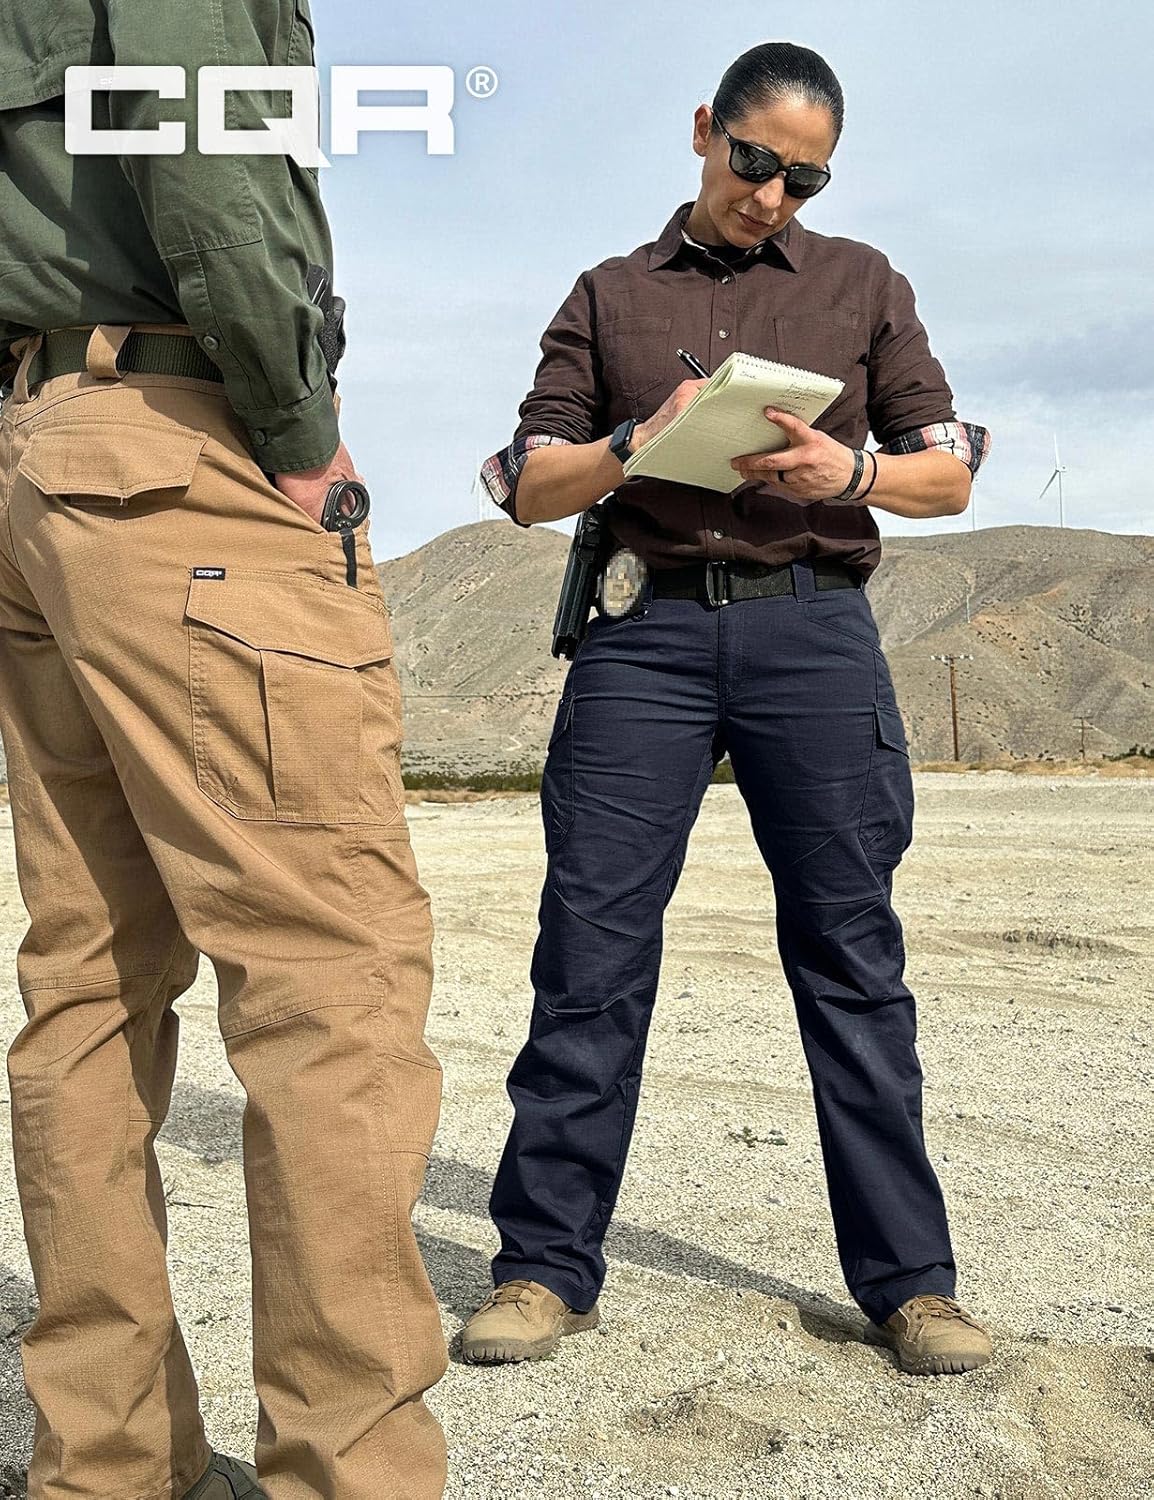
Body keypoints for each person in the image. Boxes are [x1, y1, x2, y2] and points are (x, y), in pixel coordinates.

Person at [465, 40, 993, 1379]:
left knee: (850, 955)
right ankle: (542, 1268)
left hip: (812, 632)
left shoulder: (863, 284)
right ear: (705, 129)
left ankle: (911, 1284)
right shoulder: (609, 293)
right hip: (641, 640)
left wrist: (847, 474)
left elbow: (946, 473)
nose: (772, 195)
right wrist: (636, 441)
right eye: (756, 161)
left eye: (804, 180)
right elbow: (526, 482)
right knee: (588, 952)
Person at [0, 4, 447, 1496]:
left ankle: (108, 1463)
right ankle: (351, 1472)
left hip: (35, 452)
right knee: (328, 977)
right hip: (173, 442)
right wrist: (299, 424)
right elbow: (196, 121)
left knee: (86, 983)